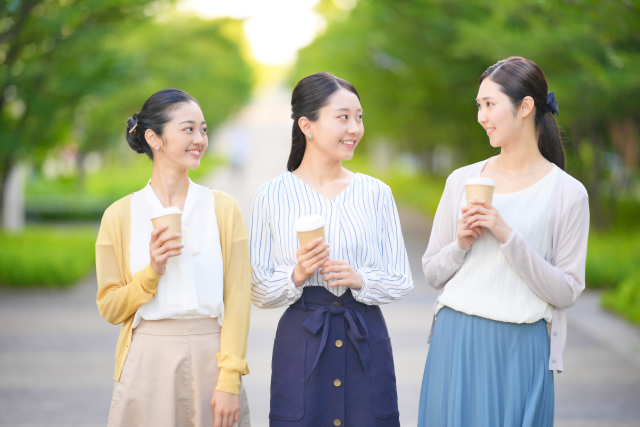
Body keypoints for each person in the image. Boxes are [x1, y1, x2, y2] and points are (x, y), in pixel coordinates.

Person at [417, 57, 590, 426]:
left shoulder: (567, 193)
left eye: (490, 104)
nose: (481, 116)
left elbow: (566, 291)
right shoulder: (461, 181)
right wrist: (461, 244)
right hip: (456, 340)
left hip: (522, 349)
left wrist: (507, 234)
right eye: (479, 106)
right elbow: (432, 272)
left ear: (525, 107)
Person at [250, 72, 414, 427]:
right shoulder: (271, 196)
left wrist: (360, 279)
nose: (354, 127)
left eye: (359, 117)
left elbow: (401, 279)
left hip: (365, 336)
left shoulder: (376, 193)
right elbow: (258, 289)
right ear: (307, 125)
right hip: (302, 340)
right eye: (343, 117)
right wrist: (296, 275)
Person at [96, 88, 251, 427]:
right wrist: (151, 272)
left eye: (204, 129)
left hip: (214, 358)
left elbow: (238, 298)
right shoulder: (119, 216)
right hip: (148, 362)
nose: (199, 138)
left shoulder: (223, 208)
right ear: (154, 138)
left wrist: (229, 380)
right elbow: (110, 306)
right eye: (188, 129)